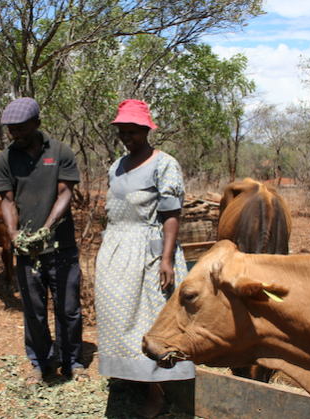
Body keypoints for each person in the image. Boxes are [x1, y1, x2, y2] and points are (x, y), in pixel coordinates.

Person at [95, 99, 195, 418]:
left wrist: (166, 259)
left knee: (153, 320)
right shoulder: (116, 166)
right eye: (122, 131)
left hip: (149, 251)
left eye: (133, 131)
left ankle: (158, 393)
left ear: (147, 129)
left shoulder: (164, 164)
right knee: (117, 315)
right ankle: (130, 374)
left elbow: (171, 215)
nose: (127, 136)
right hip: (116, 250)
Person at [0, 97, 86, 385]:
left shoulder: (60, 151)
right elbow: (7, 200)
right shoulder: (5, 159)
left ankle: (72, 362)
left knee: (68, 308)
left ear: (37, 124)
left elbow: (65, 193)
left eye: (20, 128)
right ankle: (40, 364)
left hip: (61, 247)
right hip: (26, 253)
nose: (15, 134)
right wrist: (14, 234)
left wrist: (46, 229)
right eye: (11, 130)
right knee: (33, 311)